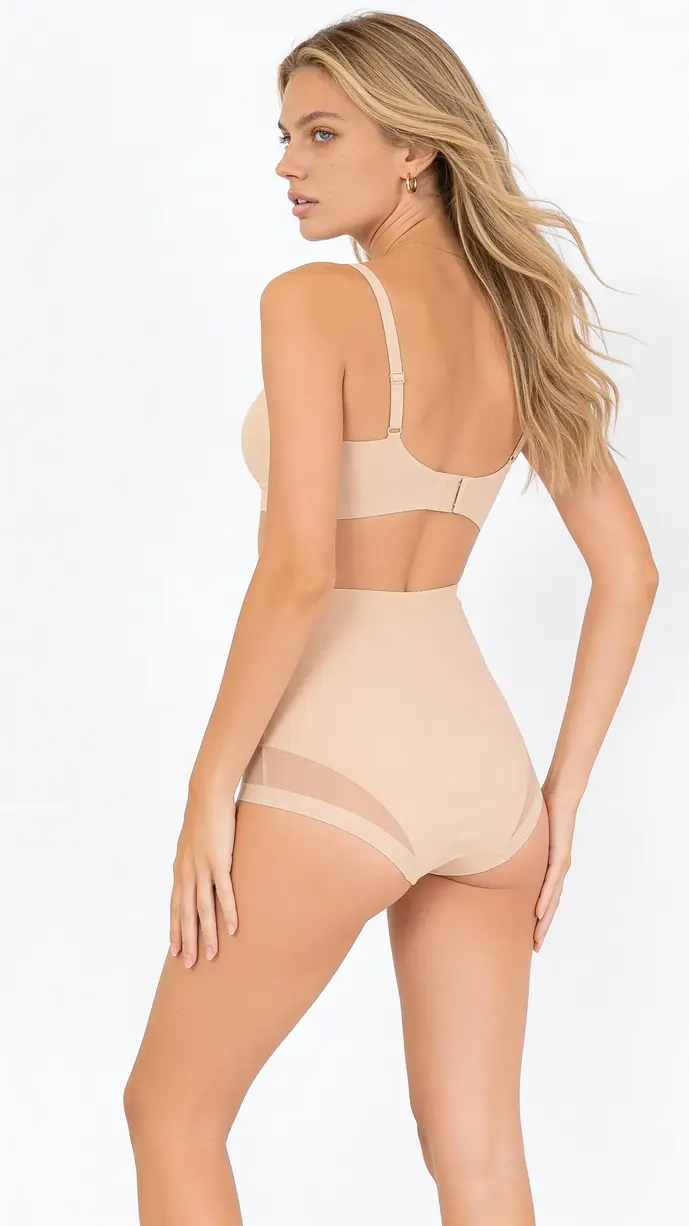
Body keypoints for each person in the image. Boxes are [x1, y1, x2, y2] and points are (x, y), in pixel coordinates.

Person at [123, 12, 659, 1225]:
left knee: (172, 1110)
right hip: (487, 782)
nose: (286, 165)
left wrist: (210, 784)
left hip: (338, 762)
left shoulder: (317, 301)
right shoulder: (520, 327)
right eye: (283, 136)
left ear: (414, 148)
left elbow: (297, 572)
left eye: (320, 134)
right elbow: (628, 573)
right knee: (478, 1160)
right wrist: (559, 798)